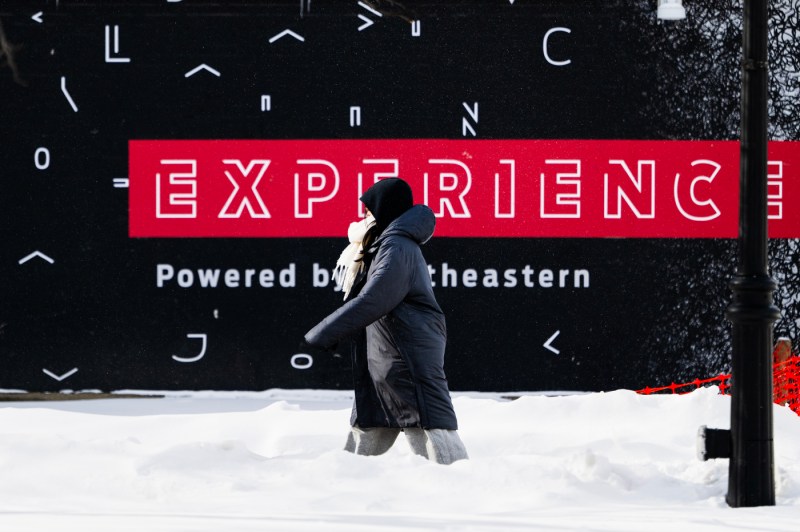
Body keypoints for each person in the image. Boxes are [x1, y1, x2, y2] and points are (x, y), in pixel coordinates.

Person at [303, 178, 468, 465]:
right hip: (386, 357)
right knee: (368, 429)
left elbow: (375, 299)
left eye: (368, 210)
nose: (363, 216)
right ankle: (342, 483)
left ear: (384, 209)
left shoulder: (397, 246)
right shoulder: (381, 244)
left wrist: (325, 332)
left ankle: (459, 485)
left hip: (406, 357)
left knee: (431, 434)